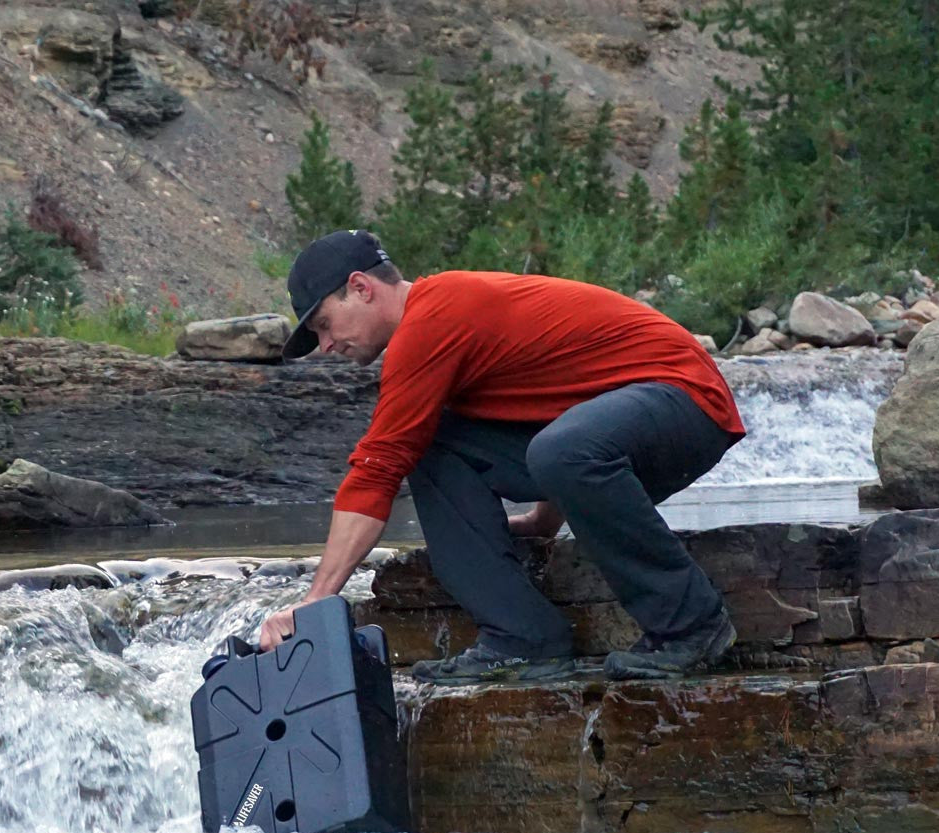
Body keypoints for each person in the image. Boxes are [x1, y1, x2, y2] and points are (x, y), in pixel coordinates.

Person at [258, 229, 745, 685]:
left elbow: (376, 469)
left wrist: (317, 600)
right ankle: (522, 639)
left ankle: (691, 626)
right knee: (433, 441)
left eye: (324, 324)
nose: (325, 345)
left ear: (361, 288)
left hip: (687, 402)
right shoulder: (433, 323)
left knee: (555, 450)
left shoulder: (433, 319)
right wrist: (543, 521)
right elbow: (558, 399)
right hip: (623, 423)